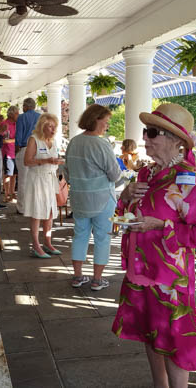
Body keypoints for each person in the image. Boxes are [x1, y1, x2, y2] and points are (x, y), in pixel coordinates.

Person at [112, 103, 196, 385]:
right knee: (149, 332)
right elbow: (127, 215)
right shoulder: (146, 173)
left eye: (152, 133)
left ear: (174, 141)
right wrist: (125, 194)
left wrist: (160, 226)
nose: (144, 138)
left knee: (174, 343)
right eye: (146, 131)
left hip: (169, 278)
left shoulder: (186, 179)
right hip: (141, 271)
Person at [62, 104, 121, 290]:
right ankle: (97, 279)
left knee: (80, 235)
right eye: (106, 120)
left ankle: (78, 276)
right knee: (102, 237)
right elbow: (115, 175)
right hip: (102, 198)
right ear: (96, 119)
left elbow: (67, 172)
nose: (107, 124)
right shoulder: (102, 144)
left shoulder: (74, 142)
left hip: (79, 197)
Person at [22, 113, 64, 258]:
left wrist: (57, 162)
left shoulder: (54, 141)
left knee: (50, 212)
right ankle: (36, 245)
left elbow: (54, 160)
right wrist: (46, 161)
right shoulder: (34, 140)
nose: (53, 130)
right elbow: (27, 161)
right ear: (42, 126)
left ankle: (48, 242)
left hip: (50, 179)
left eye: (55, 127)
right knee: (37, 212)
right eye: (50, 126)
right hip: (37, 180)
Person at [15, 98, 41, 214]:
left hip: (25, 148)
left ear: (25, 106)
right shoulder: (40, 117)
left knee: (23, 180)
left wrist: (17, 148)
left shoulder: (21, 117)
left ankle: (22, 207)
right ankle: (35, 205)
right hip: (38, 149)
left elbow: (19, 135)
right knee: (36, 179)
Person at [2, 105, 19, 202]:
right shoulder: (5, 124)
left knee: (14, 174)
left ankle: (12, 193)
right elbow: (4, 140)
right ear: (11, 114)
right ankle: (7, 194)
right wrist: (16, 140)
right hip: (8, 152)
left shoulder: (17, 124)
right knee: (8, 174)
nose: (18, 115)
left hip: (16, 152)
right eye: (17, 113)